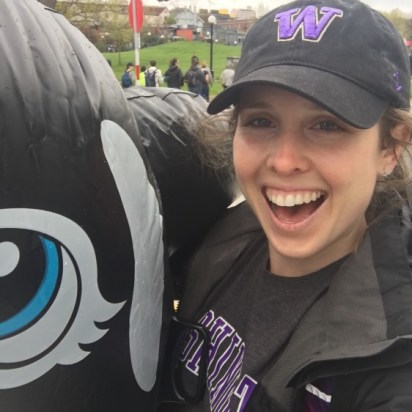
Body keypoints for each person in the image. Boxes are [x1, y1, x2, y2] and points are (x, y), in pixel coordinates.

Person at [170, 0, 412, 411]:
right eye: (261, 121)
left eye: (326, 125)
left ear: (391, 148)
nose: (284, 162)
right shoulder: (220, 238)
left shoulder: (392, 361)